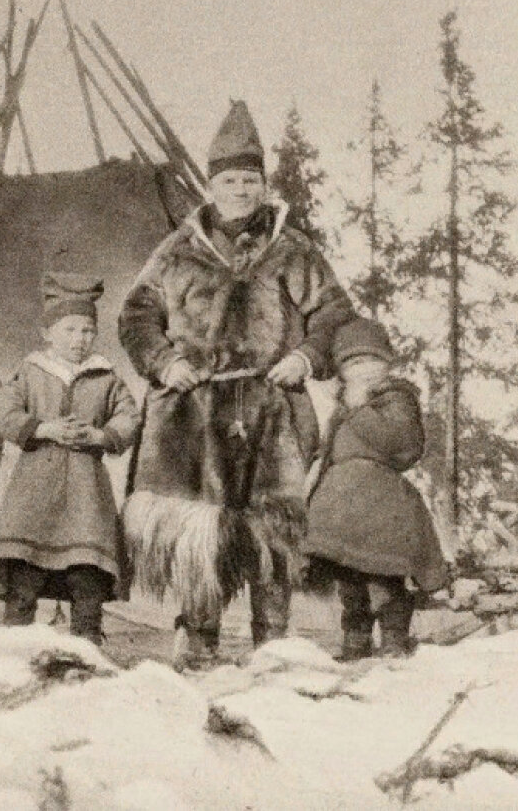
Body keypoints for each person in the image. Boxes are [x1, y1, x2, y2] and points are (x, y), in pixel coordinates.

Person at [119, 101, 355, 670]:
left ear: (264, 185)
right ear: (212, 183)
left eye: (250, 180)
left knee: (272, 525)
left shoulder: (293, 250)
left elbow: (334, 312)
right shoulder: (178, 251)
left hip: (272, 406)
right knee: (201, 528)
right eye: (229, 180)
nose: (240, 190)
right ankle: (196, 636)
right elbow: (135, 317)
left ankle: (271, 639)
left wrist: (304, 354)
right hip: (194, 410)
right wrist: (165, 361)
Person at [0, 273, 140, 645]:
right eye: (70, 330)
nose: (79, 340)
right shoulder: (30, 372)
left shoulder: (105, 377)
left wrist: (99, 436)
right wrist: (44, 429)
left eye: (87, 331)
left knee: (87, 572)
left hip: (86, 494)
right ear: (48, 333)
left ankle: (85, 644)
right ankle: (15, 645)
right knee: (24, 569)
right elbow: (5, 412)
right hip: (34, 490)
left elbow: (128, 416)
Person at [305, 318, 447, 660]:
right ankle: (355, 642)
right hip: (341, 511)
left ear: (387, 364)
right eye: (353, 363)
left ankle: (395, 641)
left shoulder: (397, 398)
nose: (364, 369)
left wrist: (360, 409)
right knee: (351, 584)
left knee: (385, 578)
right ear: (342, 371)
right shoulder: (339, 407)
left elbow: (404, 446)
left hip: (381, 507)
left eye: (372, 360)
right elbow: (325, 451)